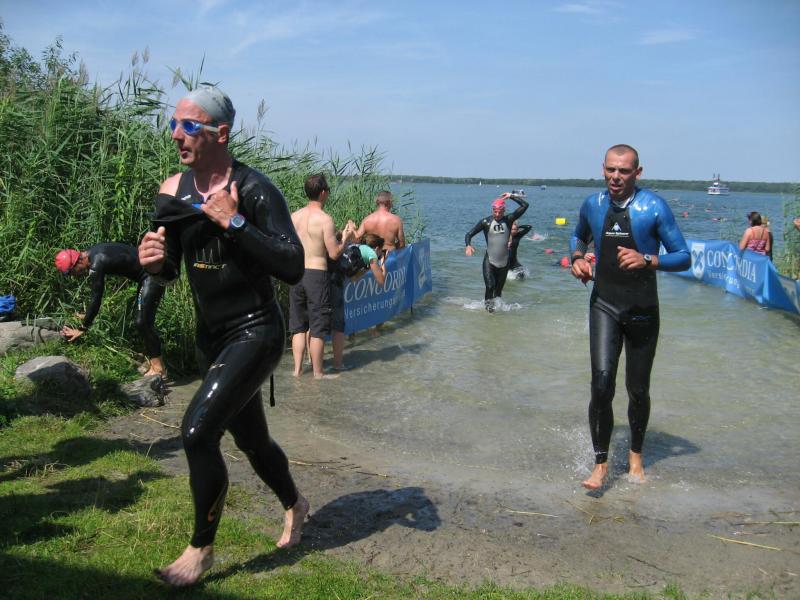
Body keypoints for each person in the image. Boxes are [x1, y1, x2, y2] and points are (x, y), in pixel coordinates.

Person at [137, 85, 308, 587]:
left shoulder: (255, 190)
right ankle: (295, 504)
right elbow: (170, 267)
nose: (176, 135)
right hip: (210, 337)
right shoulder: (172, 191)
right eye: (173, 124)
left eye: (189, 125)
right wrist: (153, 262)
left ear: (221, 133)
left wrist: (233, 221)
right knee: (252, 441)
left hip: (256, 330)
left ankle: (200, 549)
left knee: (196, 432)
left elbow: (293, 266)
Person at [569, 144, 689, 490]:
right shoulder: (593, 204)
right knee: (601, 384)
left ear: (638, 172)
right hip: (604, 304)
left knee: (637, 389)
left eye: (623, 171)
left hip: (642, 310)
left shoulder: (654, 207)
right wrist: (577, 257)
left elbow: (683, 256)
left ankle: (636, 454)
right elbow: (578, 235)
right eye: (610, 170)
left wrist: (648, 259)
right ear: (603, 169)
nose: (616, 177)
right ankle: (601, 464)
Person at [54, 243, 165, 377]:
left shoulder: (96, 264)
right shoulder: (93, 252)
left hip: (152, 276)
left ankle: (158, 369)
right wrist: (87, 315)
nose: (74, 275)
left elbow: (96, 298)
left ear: (78, 262)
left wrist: (82, 328)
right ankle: (153, 358)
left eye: (72, 272)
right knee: (142, 319)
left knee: (142, 322)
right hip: (149, 274)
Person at [290, 173, 354, 378]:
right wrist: (346, 239)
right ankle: (318, 374)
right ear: (323, 192)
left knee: (298, 327)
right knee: (317, 327)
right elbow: (334, 253)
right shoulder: (325, 219)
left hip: (296, 272)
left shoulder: (294, 216)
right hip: (316, 274)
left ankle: (297, 371)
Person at [328, 232, 387, 370]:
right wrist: (383, 264)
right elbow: (381, 281)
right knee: (338, 326)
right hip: (335, 284)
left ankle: (310, 362)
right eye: (381, 251)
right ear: (377, 248)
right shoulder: (372, 254)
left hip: (326, 276)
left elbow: (354, 279)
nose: (380, 254)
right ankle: (337, 365)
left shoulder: (357, 246)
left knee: (315, 323)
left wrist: (367, 268)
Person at [465, 191, 529, 311]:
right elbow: (469, 234)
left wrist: (511, 196)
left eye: (500, 212)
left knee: (498, 292)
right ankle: (489, 311)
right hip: (489, 260)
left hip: (504, 263)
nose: (497, 214)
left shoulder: (509, 220)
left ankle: (496, 314)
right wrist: (468, 245)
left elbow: (525, 205)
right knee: (490, 286)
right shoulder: (485, 222)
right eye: (495, 211)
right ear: (492, 210)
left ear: (504, 211)